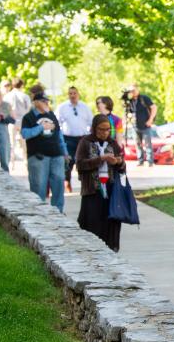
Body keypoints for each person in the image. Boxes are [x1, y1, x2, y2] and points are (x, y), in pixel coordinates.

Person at [75, 114, 126, 251]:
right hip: (92, 190)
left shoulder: (113, 143)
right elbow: (80, 164)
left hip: (111, 190)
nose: (104, 133)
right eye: (101, 129)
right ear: (94, 128)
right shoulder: (85, 142)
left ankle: (110, 250)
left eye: (107, 129)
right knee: (92, 223)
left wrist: (118, 162)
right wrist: (100, 159)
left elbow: (122, 166)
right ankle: (91, 251)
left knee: (110, 223)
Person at [21, 87, 69, 212]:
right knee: (39, 186)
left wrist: (65, 152)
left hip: (56, 154)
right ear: (36, 102)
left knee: (58, 183)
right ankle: (39, 213)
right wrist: (41, 127)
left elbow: (59, 135)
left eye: (47, 102)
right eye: (44, 101)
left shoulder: (51, 115)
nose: (47, 104)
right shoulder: (28, 117)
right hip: (38, 156)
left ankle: (58, 212)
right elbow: (25, 134)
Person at [57, 87, 94, 193]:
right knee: (68, 161)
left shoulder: (85, 107)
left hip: (82, 138)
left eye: (74, 93)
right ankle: (67, 181)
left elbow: (91, 122)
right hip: (68, 138)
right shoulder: (62, 107)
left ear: (78, 94)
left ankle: (83, 182)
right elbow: (57, 123)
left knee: (82, 160)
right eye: (70, 93)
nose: (72, 95)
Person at [3, 78, 31, 163]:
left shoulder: (7, 96)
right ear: (22, 85)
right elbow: (29, 108)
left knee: (12, 144)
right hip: (23, 121)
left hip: (11, 122)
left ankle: (11, 162)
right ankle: (25, 161)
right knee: (24, 144)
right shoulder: (24, 96)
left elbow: (5, 109)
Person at [129, 83, 157, 166]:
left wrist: (150, 120)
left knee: (148, 144)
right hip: (135, 126)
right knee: (138, 144)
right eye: (131, 91)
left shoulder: (144, 98)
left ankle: (150, 161)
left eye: (134, 90)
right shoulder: (131, 101)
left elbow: (154, 107)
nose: (132, 92)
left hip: (145, 125)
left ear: (137, 89)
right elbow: (129, 112)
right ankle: (140, 160)